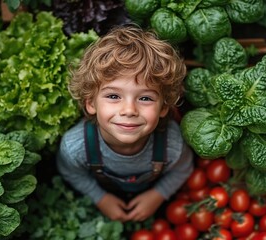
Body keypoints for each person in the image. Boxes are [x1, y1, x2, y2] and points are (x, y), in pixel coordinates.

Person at [57, 25, 194, 222]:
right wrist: (100, 198)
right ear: (90, 103)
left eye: (145, 98)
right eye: (113, 96)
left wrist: (158, 194)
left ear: (164, 107)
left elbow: (183, 169)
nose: (129, 110)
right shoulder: (75, 146)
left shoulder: (172, 144)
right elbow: (71, 173)